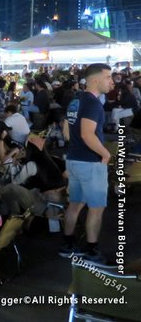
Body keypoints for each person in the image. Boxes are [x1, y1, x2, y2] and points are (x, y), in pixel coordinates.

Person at [60, 63, 114, 263]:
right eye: (108, 77)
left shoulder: (76, 100)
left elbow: (67, 130)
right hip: (90, 163)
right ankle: (92, 251)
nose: (111, 81)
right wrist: (105, 155)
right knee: (96, 207)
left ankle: (68, 244)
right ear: (94, 80)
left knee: (75, 204)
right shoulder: (93, 104)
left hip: (74, 160)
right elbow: (87, 135)